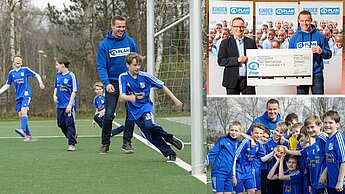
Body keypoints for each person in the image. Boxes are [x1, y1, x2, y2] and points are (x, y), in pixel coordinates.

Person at [119, 52, 184, 161]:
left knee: (150, 125)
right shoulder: (123, 77)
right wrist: (130, 98)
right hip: (134, 113)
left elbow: (162, 85)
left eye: (139, 65)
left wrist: (175, 99)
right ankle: (170, 153)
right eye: (134, 65)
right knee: (149, 136)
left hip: (145, 107)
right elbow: (121, 95)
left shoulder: (145, 76)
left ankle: (170, 138)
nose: (137, 67)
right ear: (127, 65)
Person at [96, 15, 138, 154]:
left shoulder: (130, 42)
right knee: (108, 114)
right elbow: (101, 66)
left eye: (123, 27)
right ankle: (105, 143)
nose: (121, 29)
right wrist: (106, 83)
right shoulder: (104, 45)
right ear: (112, 26)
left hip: (128, 81)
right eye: (119, 27)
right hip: (112, 82)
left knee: (131, 113)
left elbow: (136, 62)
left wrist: (136, 80)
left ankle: (127, 142)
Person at [0, 55, 45, 142]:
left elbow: (36, 75)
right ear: (13, 62)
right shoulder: (11, 73)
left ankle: (22, 130)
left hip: (26, 94)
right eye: (16, 60)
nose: (18, 61)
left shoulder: (25, 70)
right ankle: (28, 135)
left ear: (22, 62)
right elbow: (7, 85)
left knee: (24, 111)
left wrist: (40, 83)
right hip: (18, 96)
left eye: (20, 60)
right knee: (21, 115)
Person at [288, 10, 332, 94]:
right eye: (302, 21)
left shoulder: (320, 36)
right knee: (301, 101)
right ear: (298, 21)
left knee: (318, 99)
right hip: (300, 75)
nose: (304, 23)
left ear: (311, 20)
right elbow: (290, 58)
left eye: (307, 20)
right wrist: (294, 78)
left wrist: (322, 51)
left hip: (316, 74)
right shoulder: (294, 38)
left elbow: (329, 54)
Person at [286, 115, 328, 194]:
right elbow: (300, 153)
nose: (310, 130)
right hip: (314, 183)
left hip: (323, 182)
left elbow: (333, 156)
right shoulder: (313, 146)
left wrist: (324, 174)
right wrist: (287, 151)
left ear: (320, 125)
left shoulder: (324, 138)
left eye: (312, 127)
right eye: (308, 128)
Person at [218, 17, 257, 95]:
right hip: (231, 81)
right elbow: (221, 61)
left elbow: (256, 60)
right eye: (236, 27)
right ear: (232, 28)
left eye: (241, 27)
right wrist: (237, 60)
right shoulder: (225, 43)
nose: (239, 29)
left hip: (248, 81)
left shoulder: (251, 42)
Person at [53, 56, 78, 151]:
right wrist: (54, 95)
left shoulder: (71, 75)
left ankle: (72, 144)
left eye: (57, 64)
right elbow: (56, 87)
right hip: (59, 105)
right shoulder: (57, 75)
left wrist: (70, 105)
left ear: (62, 65)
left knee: (69, 124)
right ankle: (72, 136)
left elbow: (74, 91)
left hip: (69, 105)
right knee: (60, 124)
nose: (56, 67)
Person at [233, 123, 266, 194]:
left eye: (261, 133)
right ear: (251, 133)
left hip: (248, 171)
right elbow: (234, 158)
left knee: (252, 191)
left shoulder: (259, 144)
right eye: (256, 133)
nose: (258, 135)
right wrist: (233, 175)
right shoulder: (245, 142)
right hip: (239, 171)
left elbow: (262, 158)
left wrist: (274, 153)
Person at [261, 122, 290, 194]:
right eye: (276, 131)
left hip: (282, 172)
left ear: (284, 134)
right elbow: (264, 159)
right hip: (271, 172)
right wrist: (274, 152)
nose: (278, 133)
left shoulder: (285, 143)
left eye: (281, 132)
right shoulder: (268, 142)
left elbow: (287, 156)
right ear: (274, 130)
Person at [322, 111, 345, 194]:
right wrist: (324, 173)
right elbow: (331, 159)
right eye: (325, 122)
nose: (327, 125)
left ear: (337, 124)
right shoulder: (328, 139)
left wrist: (340, 181)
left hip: (340, 185)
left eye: (330, 123)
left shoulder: (339, 138)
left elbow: (343, 161)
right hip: (331, 183)